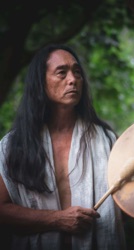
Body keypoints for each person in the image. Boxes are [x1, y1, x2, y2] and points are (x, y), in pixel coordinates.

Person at [0, 44, 126, 250]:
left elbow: (127, 202)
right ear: (41, 82)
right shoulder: (12, 145)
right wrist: (57, 219)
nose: (73, 79)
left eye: (77, 72)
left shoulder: (107, 139)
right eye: (62, 73)